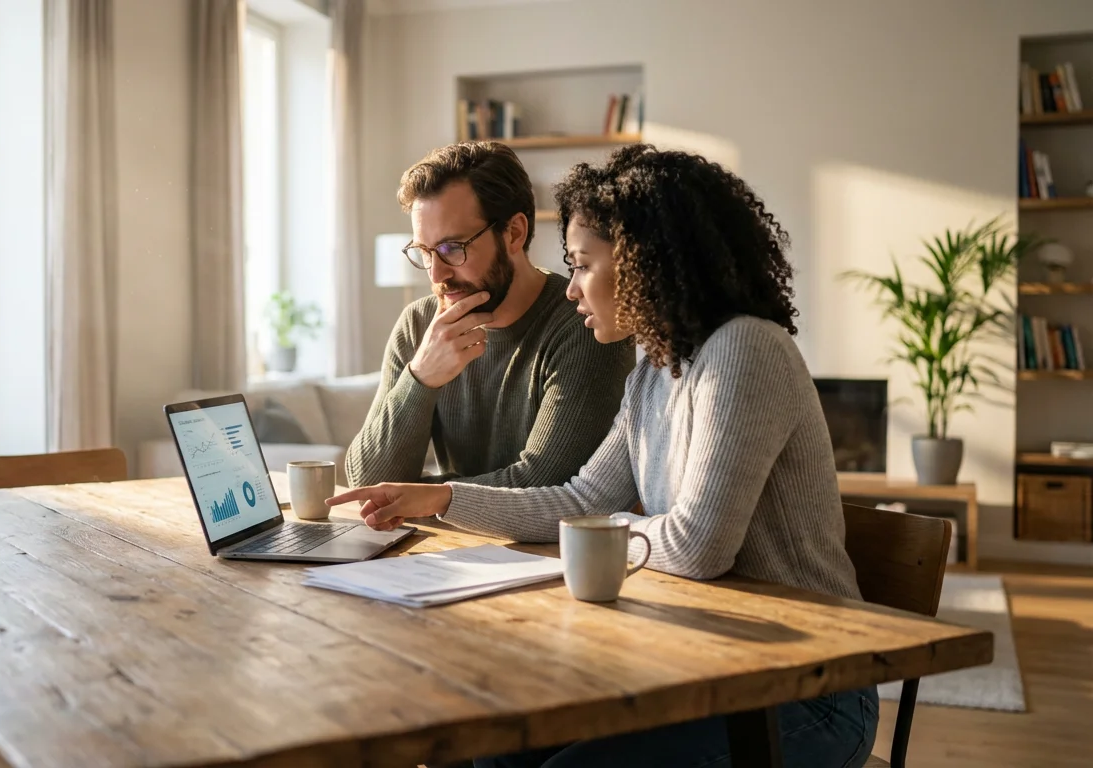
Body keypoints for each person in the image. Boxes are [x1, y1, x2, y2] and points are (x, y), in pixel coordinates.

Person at [329, 145, 877, 768]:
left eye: (584, 265)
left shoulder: (746, 349)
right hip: (705, 666)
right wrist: (445, 497)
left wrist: (597, 532)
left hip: (805, 689)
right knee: (488, 748)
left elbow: (697, 546)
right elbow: (581, 499)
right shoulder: (654, 371)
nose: (572, 290)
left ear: (642, 265)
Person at [345, 142, 635, 490]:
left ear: (514, 233)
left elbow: (546, 486)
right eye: (424, 251)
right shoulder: (420, 325)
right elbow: (366, 482)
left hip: (544, 546)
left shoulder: (585, 321)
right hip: (447, 543)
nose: (436, 275)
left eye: (452, 248)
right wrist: (420, 377)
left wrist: (420, 496)